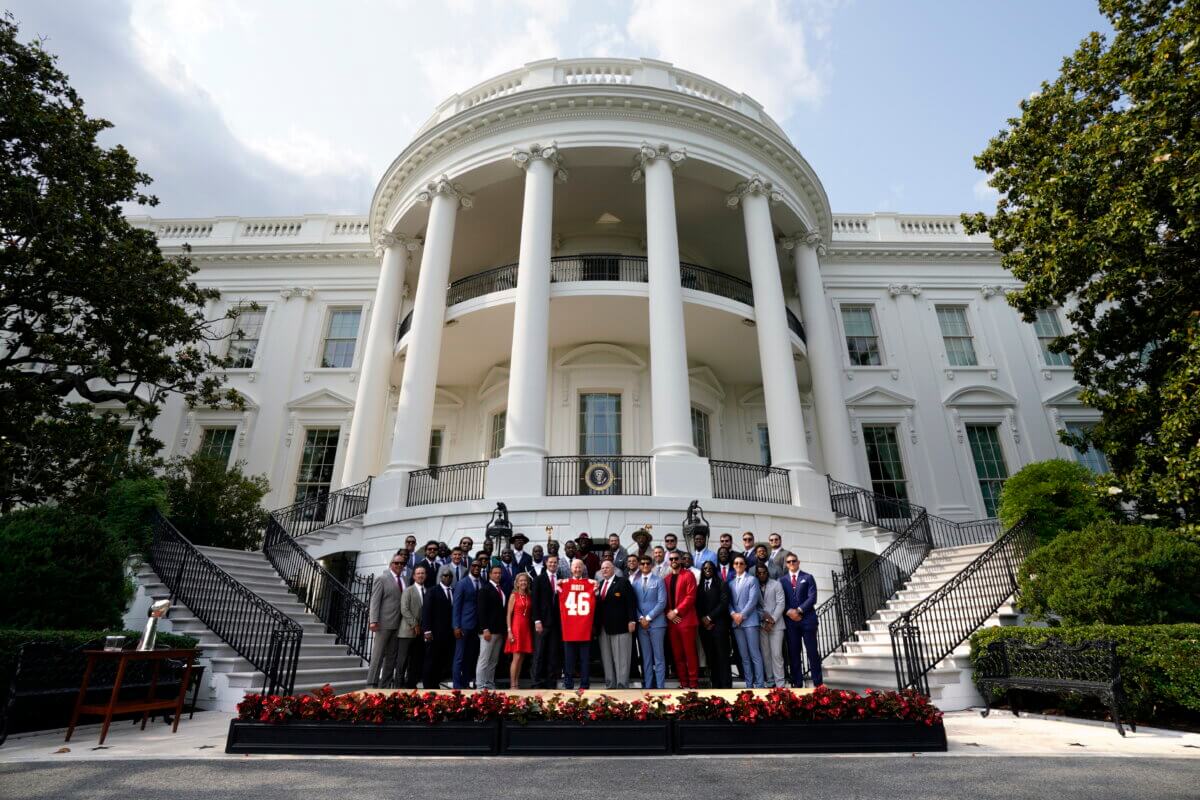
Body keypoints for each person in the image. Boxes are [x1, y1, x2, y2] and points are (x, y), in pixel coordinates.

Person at [594, 560, 637, 689]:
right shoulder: (600, 584)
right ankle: (610, 684)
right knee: (607, 659)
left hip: (621, 626)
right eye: (602, 568)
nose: (604, 570)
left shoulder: (623, 582)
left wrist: (632, 620)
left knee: (621, 658)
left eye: (607, 567)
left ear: (613, 569)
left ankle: (622, 684)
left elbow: (631, 602)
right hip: (603, 628)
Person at [782, 554, 821, 687]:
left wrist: (798, 610)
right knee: (794, 653)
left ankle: (818, 683)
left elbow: (812, 597)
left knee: (812, 652)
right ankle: (797, 684)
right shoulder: (782, 580)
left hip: (807, 620)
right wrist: (789, 612)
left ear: (798, 562)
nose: (791, 563)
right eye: (789, 561)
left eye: (794, 561)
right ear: (786, 564)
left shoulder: (808, 577)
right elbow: (781, 600)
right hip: (791, 622)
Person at [367, 553, 406, 687]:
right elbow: (374, 601)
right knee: (378, 656)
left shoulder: (404, 580)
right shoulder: (382, 578)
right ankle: (371, 683)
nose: (399, 565)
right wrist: (373, 620)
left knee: (391, 658)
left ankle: (385, 685)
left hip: (398, 625)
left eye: (402, 563)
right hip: (383, 624)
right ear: (391, 564)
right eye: (397, 563)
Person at [559, 559, 596, 690]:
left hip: (584, 627)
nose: (577, 569)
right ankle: (568, 683)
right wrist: (560, 584)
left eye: (580, 567)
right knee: (569, 659)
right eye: (575, 567)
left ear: (583, 569)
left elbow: (596, 593)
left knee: (584, 659)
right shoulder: (563, 584)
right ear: (571, 569)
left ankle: (585, 684)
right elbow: (555, 589)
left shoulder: (591, 583)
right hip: (569, 627)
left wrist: (594, 586)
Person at [664, 551, 699, 689]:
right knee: (677, 654)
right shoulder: (666, 579)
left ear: (680, 560)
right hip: (672, 622)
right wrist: (669, 612)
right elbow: (664, 600)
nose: (673, 560)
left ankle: (693, 683)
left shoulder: (688, 575)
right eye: (671, 559)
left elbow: (690, 597)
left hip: (686, 620)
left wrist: (676, 611)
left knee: (689, 653)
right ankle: (684, 683)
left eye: (676, 558)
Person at [729, 555, 765, 688]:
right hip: (736, 623)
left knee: (754, 654)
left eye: (741, 563)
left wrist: (741, 615)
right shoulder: (731, 583)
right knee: (744, 656)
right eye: (736, 563)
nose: (738, 565)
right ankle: (749, 684)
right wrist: (733, 614)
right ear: (733, 565)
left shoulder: (752, 580)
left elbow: (753, 600)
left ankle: (760, 684)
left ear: (745, 565)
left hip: (750, 621)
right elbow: (729, 602)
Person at [632, 555, 667, 688]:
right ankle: (648, 686)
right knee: (646, 658)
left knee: (659, 657)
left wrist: (648, 618)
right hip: (642, 625)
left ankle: (660, 686)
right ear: (639, 566)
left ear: (651, 565)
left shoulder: (659, 581)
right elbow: (633, 604)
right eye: (642, 563)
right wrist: (641, 618)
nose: (645, 566)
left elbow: (662, 602)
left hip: (657, 624)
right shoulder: (635, 583)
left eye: (647, 563)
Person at [695, 561, 731, 688]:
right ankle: (715, 685)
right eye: (705, 568)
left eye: (710, 568)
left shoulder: (722, 584)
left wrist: (710, 618)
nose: (707, 570)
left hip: (719, 626)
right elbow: (697, 606)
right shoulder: (700, 587)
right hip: (704, 628)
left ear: (714, 569)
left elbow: (724, 603)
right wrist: (703, 620)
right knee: (711, 657)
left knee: (722, 656)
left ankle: (726, 685)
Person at [530, 554, 563, 688]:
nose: (553, 565)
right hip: (542, 623)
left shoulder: (561, 580)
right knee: (539, 654)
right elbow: (535, 602)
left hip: (556, 623)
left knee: (553, 654)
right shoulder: (539, 579)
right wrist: (537, 620)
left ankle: (551, 682)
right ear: (546, 563)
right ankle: (536, 682)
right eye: (550, 563)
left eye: (555, 563)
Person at [451, 559, 483, 689]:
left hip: (476, 626)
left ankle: (465, 683)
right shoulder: (462, 583)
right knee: (459, 657)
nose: (476, 567)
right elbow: (456, 606)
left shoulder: (482, 582)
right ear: (470, 567)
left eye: (479, 566)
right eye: (474, 565)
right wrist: (456, 626)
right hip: (463, 625)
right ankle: (457, 685)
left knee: (470, 656)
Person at [474, 565, 508, 690]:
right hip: (488, 631)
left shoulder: (501, 589)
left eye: (499, 573)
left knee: (493, 660)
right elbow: (481, 611)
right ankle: (480, 684)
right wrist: (485, 629)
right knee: (484, 659)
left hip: (499, 631)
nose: (498, 575)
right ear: (490, 574)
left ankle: (489, 683)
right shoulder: (485, 589)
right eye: (495, 573)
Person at [422, 565, 456, 688]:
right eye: (445, 575)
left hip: (447, 634)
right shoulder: (432, 590)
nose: (447, 578)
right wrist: (427, 631)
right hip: (433, 633)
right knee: (431, 660)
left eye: (450, 576)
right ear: (441, 577)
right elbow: (426, 611)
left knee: (441, 660)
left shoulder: (453, 591)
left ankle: (435, 684)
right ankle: (427, 686)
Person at [394, 565, 427, 688]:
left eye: (423, 573)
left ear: (426, 575)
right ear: (414, 576)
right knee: (402, 662)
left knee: (415, 662)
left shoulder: (427, 591)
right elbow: (404, 609)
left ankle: (410, 686)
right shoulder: (408, 590)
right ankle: (398, 687)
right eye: (418, 573)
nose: (420, 575)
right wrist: (415, 624)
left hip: (420, 634)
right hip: (407, 632)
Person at [757, 563, 786, 688]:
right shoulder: (755, 585)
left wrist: (772, 620)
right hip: (761, 625)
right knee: (766, 654)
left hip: (776, 625)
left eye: (764, 572)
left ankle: (780, 683)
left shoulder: (776, 584)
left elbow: (781, 604)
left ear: (767, 572)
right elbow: (756, 606)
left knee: (777, 654)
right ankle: (770, 681)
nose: (762, 574)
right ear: (757, 574)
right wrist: (762, 618)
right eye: (759, 573)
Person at [505, 572, 534, 688]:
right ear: (517, 583)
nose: (523, 583)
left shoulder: (529, 595)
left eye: (525, 581)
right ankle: (512, 684)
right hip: (516, 627)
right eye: (521, 581)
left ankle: (517, 681)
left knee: (521, 657)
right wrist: (509, 631)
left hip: (526, 627)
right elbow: (508, 614)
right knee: (516, 657)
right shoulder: (514, 595)